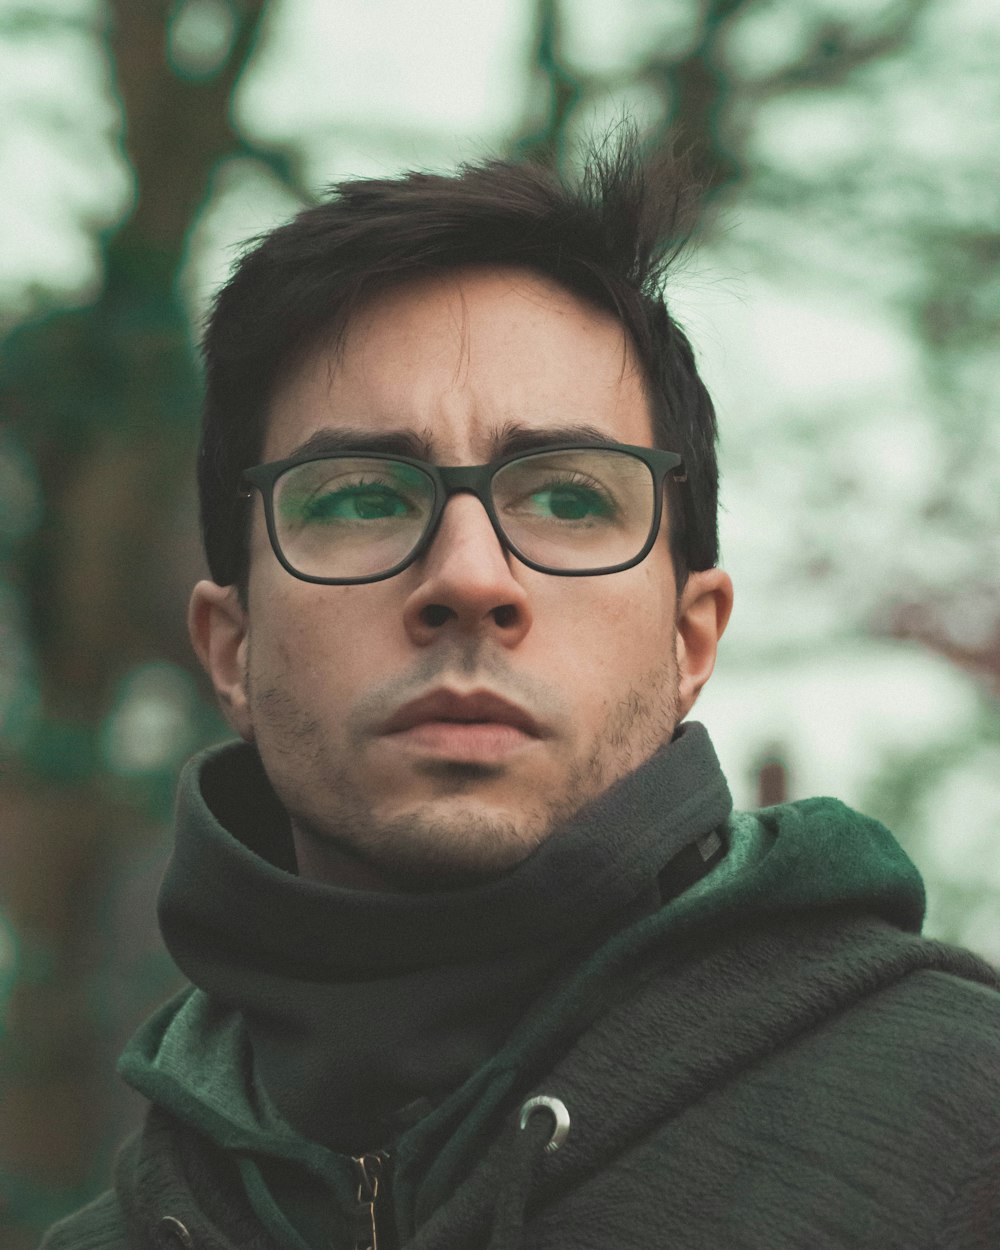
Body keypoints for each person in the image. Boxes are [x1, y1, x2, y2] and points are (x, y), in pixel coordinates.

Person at [42, 126, 1000, 1250]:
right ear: (228, 646)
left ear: (691, 638)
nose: (468, 576)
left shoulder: (963, 1138)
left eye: (569, 497)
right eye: (358, 497)